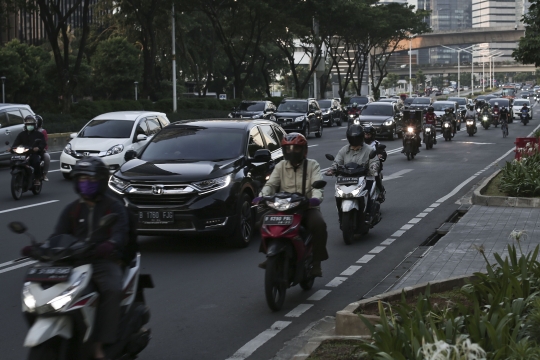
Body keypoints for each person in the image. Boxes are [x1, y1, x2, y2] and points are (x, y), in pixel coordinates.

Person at [39, 157, 128, 360]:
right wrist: (39, 248)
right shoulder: (72, 209)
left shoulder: (113, 207)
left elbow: (120, 234)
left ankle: (98, 345)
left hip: (103, 261)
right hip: (74, 261)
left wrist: (109, 245)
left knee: (112, 290)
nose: (85, 183)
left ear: (101, 181)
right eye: (81, 179)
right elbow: (56, 236)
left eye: (90, 179)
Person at [258, 133, 327, 277]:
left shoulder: (312, 165)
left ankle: (316, 263)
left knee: (319, 225)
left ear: (304, 150)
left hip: (306, 207)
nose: (291, 152)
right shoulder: (280, 166)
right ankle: (270, 255)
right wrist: (261, 197)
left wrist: (314, 199)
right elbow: (271, 185)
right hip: (282, 207)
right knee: (262, 221)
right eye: (287, 148)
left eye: (295, 148)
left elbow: (317, 187)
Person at [327, 125, 380, 223]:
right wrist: (332, 169)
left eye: (356, 138)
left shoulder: (369, 149)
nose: (354, 141)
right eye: (352, 139)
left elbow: (374, 161)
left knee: (368, 191)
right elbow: (337, 162)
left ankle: (368, 214)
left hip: (364, 178)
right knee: (338, 194)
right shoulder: (344, 150)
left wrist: (373, 168)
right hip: (346, 178)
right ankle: (340, 214)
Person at [11, 115, 46, 185]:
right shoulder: (21, 134)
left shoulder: (39, 134)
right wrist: (12, 148)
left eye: (31, 124)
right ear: (25, 125)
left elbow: (43, 143)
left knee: (36, 161)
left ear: (34, 125)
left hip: (33, 153)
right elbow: (16, 143)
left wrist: (38, 148)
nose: (29, 126)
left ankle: (37, 178)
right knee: (13, 160)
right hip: (23, 153)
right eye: (28, 124)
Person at [363, 124, 387, 202]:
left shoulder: (376, 144)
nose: (367, 136)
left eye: (368, 134)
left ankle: (380, 190)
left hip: (374, 166)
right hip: (361, 166)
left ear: (372, 135)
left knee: (375, 175)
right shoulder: (360, 144)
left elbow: (383, 153)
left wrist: (381, 156)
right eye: (365, 134)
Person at [35, 115, 51, 181]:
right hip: (29, 149)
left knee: (47, 157)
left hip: (40, 150)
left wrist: (42, 148)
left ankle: (44, 174)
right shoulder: (27, 131)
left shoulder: (42, 131)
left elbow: (44, 142)